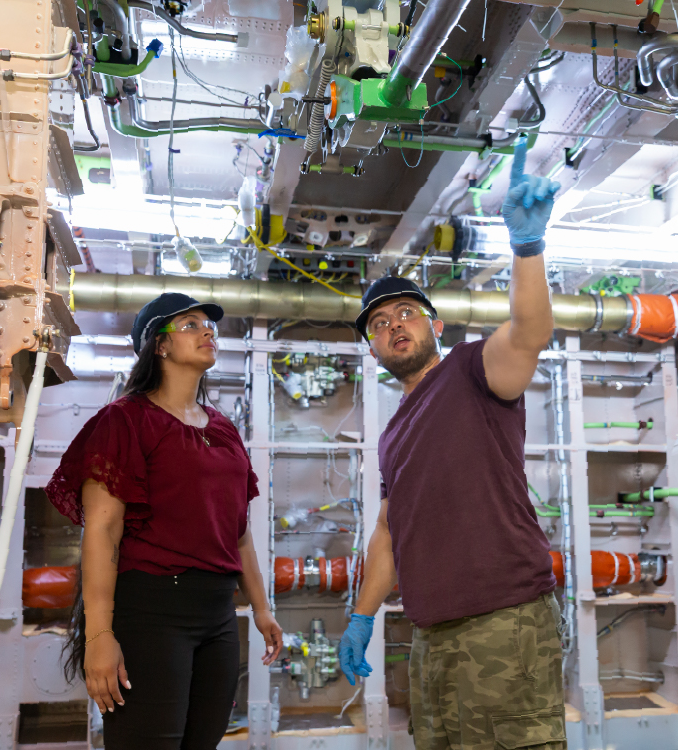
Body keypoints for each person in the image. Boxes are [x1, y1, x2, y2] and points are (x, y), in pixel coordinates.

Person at [339, 137, 567, 750]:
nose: (394, 327)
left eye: (406, 314)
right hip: (432, 636)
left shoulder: (471, 370)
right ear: (372, 349)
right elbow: (391, 528)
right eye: (380, 325)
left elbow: (528, 332)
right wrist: (364, 614)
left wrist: (527, 249)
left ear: (434, 324)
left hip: (504, 622)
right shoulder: (393, 435)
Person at [45, 293, 283, 750]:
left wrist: (262, 607)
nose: (207, 331)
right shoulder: (126, 420)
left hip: (217, 614)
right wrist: (98, 635)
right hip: (152, 611)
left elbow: (239, 532)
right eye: (191, 324)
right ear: (160, 345)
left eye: (208, 324)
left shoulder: (222, 427)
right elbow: (102, 531)